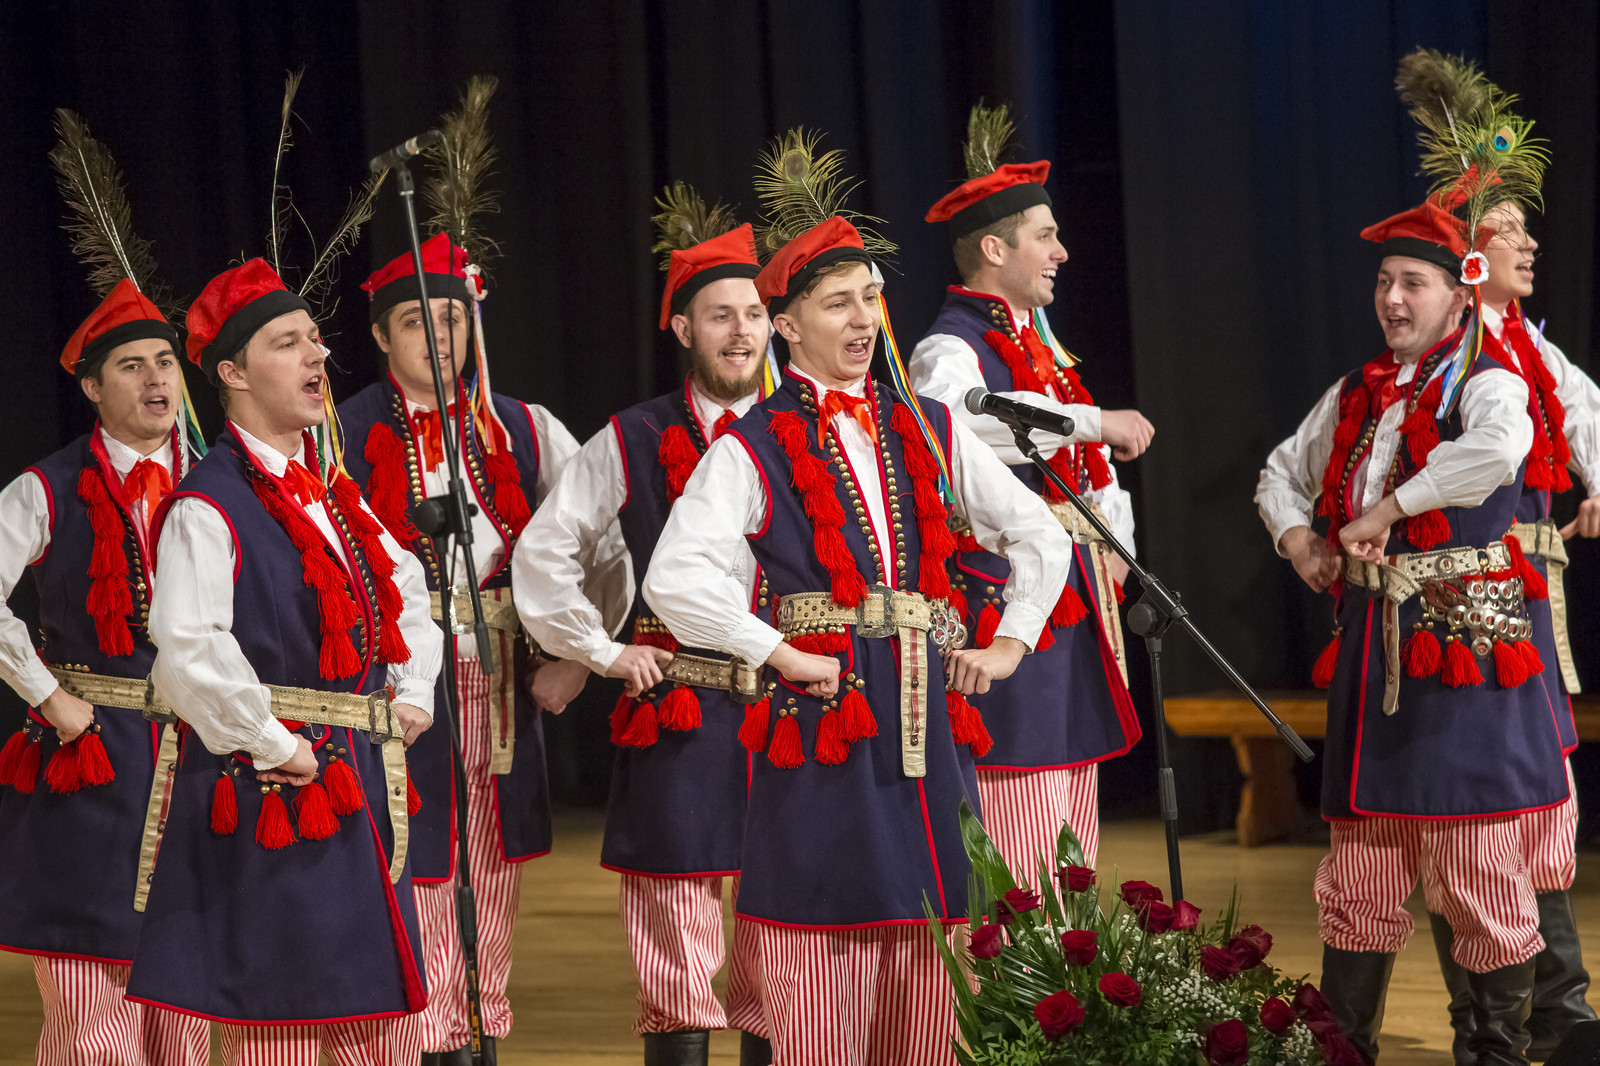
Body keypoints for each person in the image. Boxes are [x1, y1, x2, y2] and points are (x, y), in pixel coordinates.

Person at [642, 132, 1074, 1064]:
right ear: (786, 325)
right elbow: (674, 575)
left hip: (924, 714)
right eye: (837, 302)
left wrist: (1009, 644)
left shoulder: (929, 425)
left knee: (932, 934)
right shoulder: (752, 443)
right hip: (826, 717)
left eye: (871, 298)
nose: (862, 318)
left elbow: (1040, 533)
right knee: (820, 933)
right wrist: (775, 651)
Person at [1256, 201, 1567, 1064]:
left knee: (1476, 864)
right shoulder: (1358, 392)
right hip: (1372, 644)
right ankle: (1344, 1048)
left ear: (1460, 296)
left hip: (1460, 650)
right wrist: (1300, 540)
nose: (1392, 299)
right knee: (1361, 863)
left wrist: (1388, 509)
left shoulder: (1488, 379)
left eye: (1413, 283)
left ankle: (1494, 1051)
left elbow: (1497, 452)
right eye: (1384, 282)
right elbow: (1281, 471)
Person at [127, 258, 443, 1065]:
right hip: (277, 785)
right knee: (283, 1023)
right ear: (232, 373)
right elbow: (188, 649)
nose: (317, 356)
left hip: (356, 778)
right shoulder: (208, 503)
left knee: (378, 1024)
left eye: (315, 339)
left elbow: (404, 582)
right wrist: (276, 745)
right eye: (287, 343)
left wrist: (413, 686)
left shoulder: (330, 488)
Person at [339, 232, 619, 1063]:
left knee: (492, 865)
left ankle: (476, 1029)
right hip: (396, 684)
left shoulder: (524, 427)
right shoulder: (339, 431)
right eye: (417, 323)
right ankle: (418, 1036)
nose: (440, 337)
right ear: (382, 334)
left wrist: (579, 655)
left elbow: (604, 546)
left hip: (500, 680)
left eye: (454, 320)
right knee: (410, 860)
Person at [514, 193, 771, 1066]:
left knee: (784, 940)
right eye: (720, 316)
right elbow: (545, 550)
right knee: (675, 932)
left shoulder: (805, 431)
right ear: (684, 329)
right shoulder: (632, 437)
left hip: (792, 709)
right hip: (681, 711)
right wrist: (598, 649)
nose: (740, 331)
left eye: (754, 313)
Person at [909, 106, 1152, 873]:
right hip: (1006, 588)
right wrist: (1092, 421)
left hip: (1074, 586)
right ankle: (1021, 945)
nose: (1062, 252)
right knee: (1024, 792)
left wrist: (1117, 547)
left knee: (1070, 793)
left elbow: (1092, 472)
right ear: (994, 248)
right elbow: (953, 426)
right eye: (1045, 236)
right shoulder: (951, 346)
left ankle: (1065, 944)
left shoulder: (1036, 344)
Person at [0, 279, 208, 1064]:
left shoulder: (222, 480)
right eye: (131, 365)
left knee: (185, 994)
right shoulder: (46, 486)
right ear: (92, 387)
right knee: (91, 992)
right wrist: (48, 695)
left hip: (202, 750)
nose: (156, 379)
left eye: (165, 361)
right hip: (93, 754)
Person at [1428, 197, 1600, 1063]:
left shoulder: (1525, 343)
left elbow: (1585, 407)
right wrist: (1307, 533)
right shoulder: (1447, 354)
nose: (1530, 243)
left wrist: (1597, 485)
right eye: (1508, 229)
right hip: (1458, 601)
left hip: (1525, 594)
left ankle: (1559, 1011)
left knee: (1539, 793)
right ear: (1465, 252)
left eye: (1530, 228)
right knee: (1472, 803)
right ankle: (1490, 1021)